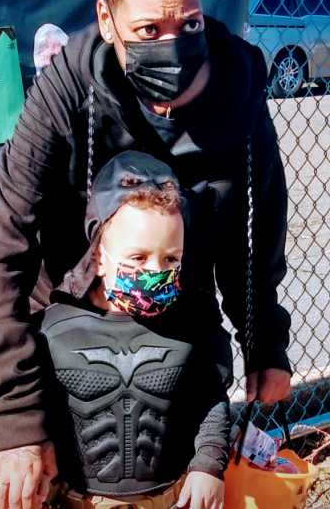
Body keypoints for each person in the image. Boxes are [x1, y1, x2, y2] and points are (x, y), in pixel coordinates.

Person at [0, 0, 291, 509]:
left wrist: (264, 343)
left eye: (189, 25)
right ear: (106, 20)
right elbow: (3, 238)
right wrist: (18, 419)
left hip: (178, 327)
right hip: (71, 328)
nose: (173, 48)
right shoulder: (68, 88)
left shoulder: (238, 91)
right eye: (148, 31)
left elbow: (258, 231)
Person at [41, 150, 230, 509]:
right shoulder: (56, 329)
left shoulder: (190, 326)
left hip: (169, 499)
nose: (155, 271)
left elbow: (210, 398)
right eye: (138, 257)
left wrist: (209, 465)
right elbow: (36, 409)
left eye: (170, 258)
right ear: (100, 258)